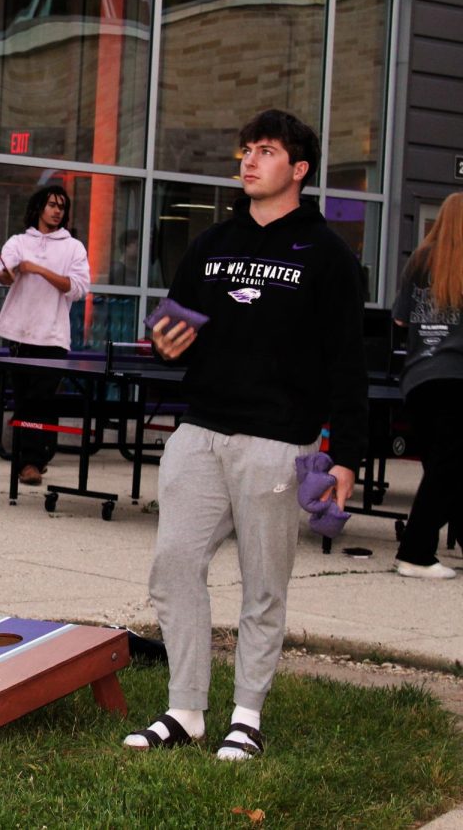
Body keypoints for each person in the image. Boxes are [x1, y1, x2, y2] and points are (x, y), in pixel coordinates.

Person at [125, 109, 367, 760]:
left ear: (299, 169)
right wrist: (164, 344)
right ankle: (185, 711)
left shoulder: (329, 256)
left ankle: (247, 716)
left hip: (278, 442)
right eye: (246, 151)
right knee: (174, 567)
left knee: (264, 585)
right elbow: (172, 332)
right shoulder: (209, 245)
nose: (250, 161)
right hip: (199, 431)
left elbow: (349, 365)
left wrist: (345, 456)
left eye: (265, 151)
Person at [0, 186, 91, 485]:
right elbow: (3, 274)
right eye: (51, 204)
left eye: (61, 206)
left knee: (40, 400)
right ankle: (29, 458)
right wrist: (13, 271)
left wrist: (37, 269)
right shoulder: (18, 242)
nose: (57, 210)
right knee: (24, 400)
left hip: (52, 337)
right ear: (39, 208)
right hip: (18, 334)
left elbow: (77, 288)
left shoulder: (73, 247)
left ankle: (32, 461)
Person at [390, 192, 463, 579]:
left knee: (446, 467)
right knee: (447, 470)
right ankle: (415, 553)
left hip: (418, 379)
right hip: (457, 377)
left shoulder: (418, 262)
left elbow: (400, 321)